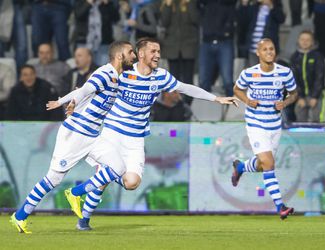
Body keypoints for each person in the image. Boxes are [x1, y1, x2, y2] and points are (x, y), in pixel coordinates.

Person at [64, 37, 238, 230]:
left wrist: (216, 99)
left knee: (131, 182)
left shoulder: (161, 76)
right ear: (141, 54)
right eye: (153, 51)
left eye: (158, 51)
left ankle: (79, 191)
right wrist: (76, 101)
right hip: (112, 132)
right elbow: (94, 86)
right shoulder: (124, 72)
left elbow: (186, 88)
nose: (158, 55)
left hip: (135, 138)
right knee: (104, 178)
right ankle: (83, 221)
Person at [9, 41, 136, 234]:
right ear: (120, 56)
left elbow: (85, 92)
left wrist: (76, 101)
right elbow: (83, 90)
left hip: (93, 136)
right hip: (75, 134)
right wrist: (64, 101)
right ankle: (19, 217)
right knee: (53, 179)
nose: (133, 56)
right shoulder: (105, 73)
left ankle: (76, 193)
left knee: (119, 167)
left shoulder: (116, 78)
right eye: (130, 52)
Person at [231, 38, 298, 220]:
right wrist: (247, 101)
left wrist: (284, 102)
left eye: (272, 49)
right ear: (258, 53)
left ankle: (241, 167)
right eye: (265, 49)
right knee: (269, 163)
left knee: (262, 165)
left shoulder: (284, 73)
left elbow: (294, 93)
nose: (269, 52)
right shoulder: (249, 73)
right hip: (256, 123)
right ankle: (280, 206)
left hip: (274, 124)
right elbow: (237, 89)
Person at [290, 30, 325, 122]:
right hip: (300, 95)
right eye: (302, 39)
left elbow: (320, 77)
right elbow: (293, 79)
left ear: (312, 42)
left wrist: (314, 96)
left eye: (308, 40)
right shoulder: (294, 57)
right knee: (300, 120)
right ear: (298, 41)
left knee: (316, 120)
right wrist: (300, 97)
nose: (305, 42)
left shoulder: (318, 56)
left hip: (316, 95)